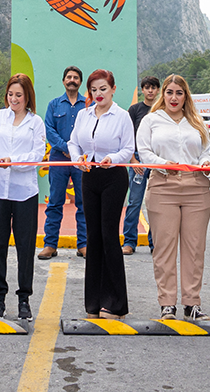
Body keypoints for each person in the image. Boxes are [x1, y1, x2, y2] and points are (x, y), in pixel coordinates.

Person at [138, 73, 210, 320]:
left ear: (185, 96)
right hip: (163, 186)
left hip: (196, 188)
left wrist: (205, 162)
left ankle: (192, 304)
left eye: (179, 93)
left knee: (194, 248)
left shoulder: (196, 121)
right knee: (164, 248)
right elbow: (144, 152)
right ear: (163, 94)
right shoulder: (151, 120)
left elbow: (206, 150)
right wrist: (163, 164)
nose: (173, 97)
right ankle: (167, 303)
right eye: (169, 92)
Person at [68, 69, 135, 320]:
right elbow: (73, 142)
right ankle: (94, 302)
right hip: (89, 176)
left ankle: (116, 302)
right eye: (94, 90)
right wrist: (78, 159)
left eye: (103, 89)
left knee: (109, 235)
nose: (98, 94)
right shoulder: (84, 115)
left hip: (113, 177)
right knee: (92, 236)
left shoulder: (122, 116)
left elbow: (129, 148)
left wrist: (113, 159)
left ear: (113, 89)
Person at [0, 74, 46, 320]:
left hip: (24, 192)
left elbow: (38, 154)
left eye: (19, 95)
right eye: (10, 94)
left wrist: (14, 162)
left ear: (27, 96)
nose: (14, 99)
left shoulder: (35, 122)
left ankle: (24, 298)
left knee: (25, 246)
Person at [39, 66, 87, 259]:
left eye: (76, 77)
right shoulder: (54, 105)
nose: (72, 80)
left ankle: (83, 244)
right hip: (59, 158)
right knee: (55, 202)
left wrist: (77, 151)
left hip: (82, 160)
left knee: (83, 203)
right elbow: (49, 129)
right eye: (69, 77)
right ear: (63, 81)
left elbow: (91, 129)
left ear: (80, 82)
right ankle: (50, 244)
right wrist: (67, 148)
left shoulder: (89, 105)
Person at [122, 75, 160, 255]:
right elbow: (127, 137)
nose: (150, 90)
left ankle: (156, 243)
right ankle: (129, 241)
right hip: (137, 161)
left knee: (156, 204)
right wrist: (133, 160)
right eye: (147, 87)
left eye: (153, 87)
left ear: (158, 90)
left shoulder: (163, 110)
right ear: (142, 90)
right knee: (134, 202)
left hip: (157, 162)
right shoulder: (135, 109)